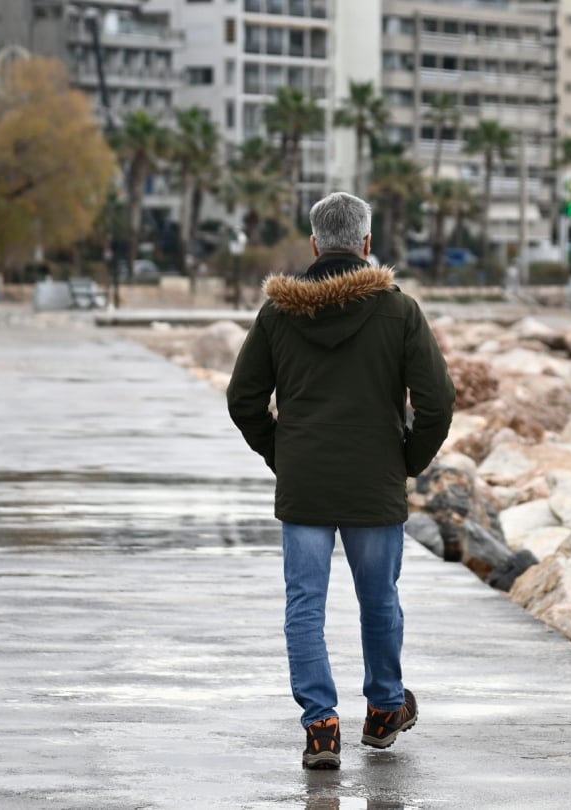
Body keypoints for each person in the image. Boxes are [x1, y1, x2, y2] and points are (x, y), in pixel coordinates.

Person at [227, 192, 455, 770]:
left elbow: (243, 399)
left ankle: (321, 726)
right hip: (374, 481)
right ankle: (383, 711)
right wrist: (406, 460)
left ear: (314, 245)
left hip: (305, 483)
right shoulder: (398, 310)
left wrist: (283, 453)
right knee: (379, 599)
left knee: (305, 604)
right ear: (368, 244)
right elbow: (438, 402)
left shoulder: (279, 313)